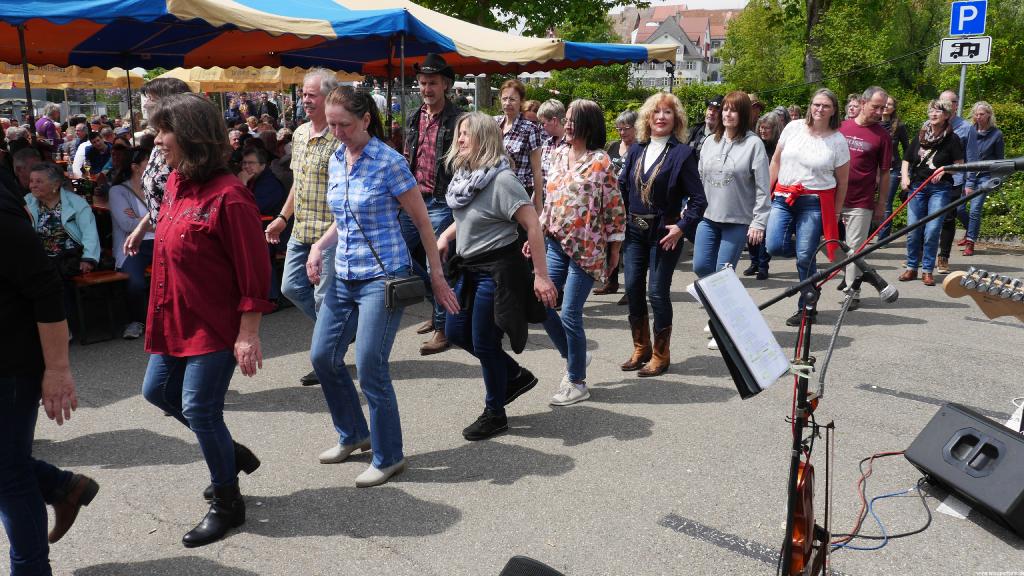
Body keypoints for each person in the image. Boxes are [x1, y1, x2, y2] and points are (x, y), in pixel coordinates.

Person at [139, 92, 273, 547]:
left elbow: (255, 273)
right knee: (155, 391)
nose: (156, 141)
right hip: (173, 315)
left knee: (200, 408)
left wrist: (248, 334)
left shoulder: (231, 196)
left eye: (163, 131)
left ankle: (228, 502)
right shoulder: (177, 182)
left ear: (192, 136)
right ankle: (229, 454)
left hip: (216, 325)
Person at [307, 87, 458, 486]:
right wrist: (320, 248)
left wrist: (437, 275)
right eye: (332, 123)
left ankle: (389, 455)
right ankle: (354, 434)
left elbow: (423, 222)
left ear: (366, 120)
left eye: (344, 124)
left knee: (372, 366)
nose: (336, 132)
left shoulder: (389, 161)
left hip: (382, 276)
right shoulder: (338, 158)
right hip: (343, 272)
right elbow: (345, 217)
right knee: (323, 357)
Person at [436, 112, 557, 439]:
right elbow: (468, 217)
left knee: (485, 342)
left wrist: (541, 276)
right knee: (456, 332)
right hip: (469, 267)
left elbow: (533, 224)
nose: (459, 139)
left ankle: (495, 413)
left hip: (498, 270)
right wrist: (447, 236)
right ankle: (514, 375)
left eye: (466, 134)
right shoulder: (466, 176)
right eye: (458, 133)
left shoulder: (502, 180)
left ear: (484, 139)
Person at [1, 178, 98, 576]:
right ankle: (63, 486)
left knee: (7, 471)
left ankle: (31, 569)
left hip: (8, 362)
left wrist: (58, 370)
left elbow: (45, 288)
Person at [538, 100, 625, 405]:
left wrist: (615, 250)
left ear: (588, 124)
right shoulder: (557, 153)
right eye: (566, 119)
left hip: (587, 249)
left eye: (573, 119)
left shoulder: (601, 161)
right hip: (554, 241)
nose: (568, 123)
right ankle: (576, 355)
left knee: (571, 313)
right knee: (542, 304)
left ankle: (577, 381)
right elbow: (550, 199)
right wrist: (536, 233)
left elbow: (614, 207)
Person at [618, 92, 706, 377]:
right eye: (656, 112)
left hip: (664, 233)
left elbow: (699, 199)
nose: (661, 117)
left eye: (668, 112)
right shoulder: (635, 150)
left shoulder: (683, 153)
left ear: (676, 119)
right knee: (632, 289)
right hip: (634, 231)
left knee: (656, 293)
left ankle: (660, 354)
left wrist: (681, 228)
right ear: (648, 117)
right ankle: (640, 347)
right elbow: (623, 189)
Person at [264, 68, 341, 386]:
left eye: (311, 95)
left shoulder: (339, 136)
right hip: (301, 229)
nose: (305, 100)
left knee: (324, 299)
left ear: (328, 97)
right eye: (304, 94)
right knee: (290, 287)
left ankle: (327, 358)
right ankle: (338, 331)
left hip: (328, 232)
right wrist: (282, 218)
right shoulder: (298, 133)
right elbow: (299, 182)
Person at [765, 88, 850, 326]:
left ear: (834, 110)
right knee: (773, 245)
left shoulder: (837, 140)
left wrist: (836, 211)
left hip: (814, 202)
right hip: (783, 195)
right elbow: (776, 161)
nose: (819, 109)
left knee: (804, 255)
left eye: (825, 106)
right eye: (816, 104)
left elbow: (842, 181)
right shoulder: (793, 128)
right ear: (810, 106)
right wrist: (765, 194)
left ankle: (807, 306)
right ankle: (811, 266)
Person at [402, 53, 461, 356]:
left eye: (433, 83)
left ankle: (442, 328)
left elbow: (466, 160)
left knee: (434, 262)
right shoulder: (414, 116)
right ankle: (438, 309)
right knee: (398, 253)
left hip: (441, 199)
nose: (426, 88)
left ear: (446, 84)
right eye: (423, 83)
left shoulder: (458, 118)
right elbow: (407, 156)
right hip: (414, 200)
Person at [694, 91, 771, 294]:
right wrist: (691, 207)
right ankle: (721, 303)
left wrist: (759, 222)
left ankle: (720, 319)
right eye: (725, 109)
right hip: (708, 217)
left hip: (737, 221)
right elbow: (700, 179)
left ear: (744, 114)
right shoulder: (710, 142)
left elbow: (763, 187)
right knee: (701, 267)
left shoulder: (754, 144)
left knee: (723, 273)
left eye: (734, 110)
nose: (728, 114)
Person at [25, 162, 101, 336]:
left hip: (68, 258)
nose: (33, 185)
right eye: (31, 181)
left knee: (55, 282)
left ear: (55, 184)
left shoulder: (76, 204)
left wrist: (88, 258)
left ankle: (63, 328)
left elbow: (90, 232)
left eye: (38, 181)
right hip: (39, 258)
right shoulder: (27, 203)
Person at [122, 77, 192, 265]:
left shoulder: (182, 147)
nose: (145, 104)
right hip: (163, 234)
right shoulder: (158, 145)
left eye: (151, 98)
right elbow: (163, 200)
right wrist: (142, 228)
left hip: (184, 241)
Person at [898, 99, 964, 286]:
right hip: (918, 188)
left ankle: (927, 270)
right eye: (931, 111)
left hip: (940, 189)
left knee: (933, 230)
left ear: (946, 116)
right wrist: (904, 178)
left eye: (938, 111)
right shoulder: (920, 136)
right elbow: (906, 160)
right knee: (913, 229)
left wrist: (944, 170)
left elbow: (959, 166)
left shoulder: (952, 138)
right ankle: (911, 267)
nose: (933, 114)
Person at [837, 86, 892, 309]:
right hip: (834, 199)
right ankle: (865, 271)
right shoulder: (841, 127)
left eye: (883, 108)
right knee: (825, 243)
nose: (880, 112)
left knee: (854, 247)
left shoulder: (883, 136)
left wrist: (881, 204)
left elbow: (886, 172)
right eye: (875, 107)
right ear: (862, 103)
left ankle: (853, 291)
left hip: (861, 201)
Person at [108, 147, 154, 340]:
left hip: (161, 241)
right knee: (135, 282)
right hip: (132, 244)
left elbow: (173, 216)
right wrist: (155, 221)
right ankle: (137, 320)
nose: (154, 166)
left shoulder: (157, 187)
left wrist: (140, 220)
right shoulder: (118, 191)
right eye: (149, 162)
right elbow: (126, 223)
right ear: (135, 167)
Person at [935, 90, 980, 271]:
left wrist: (970, 183)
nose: (946, 105)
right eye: (942, 102)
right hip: (930, 179)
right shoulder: (928, 124)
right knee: (924, 220)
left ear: (956, 104)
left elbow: (972, 158)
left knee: (947, 218)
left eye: (950, 102)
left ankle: (943, 257)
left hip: (954, 180)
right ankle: (919, 256)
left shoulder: (966, 128)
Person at [596, 109, 639, 296]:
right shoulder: (612, 147)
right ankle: (611, 282)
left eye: (626, 128)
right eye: (619, 128)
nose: (622, 132)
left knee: (629, 247)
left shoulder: (641, 148)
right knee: (608, 243)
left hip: (631, 203)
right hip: (611, 203)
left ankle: (631, 289)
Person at [957, 101, 1004, 256]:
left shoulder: (996, 134)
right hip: (967, 174)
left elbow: (1000, 160)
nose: (978, 117)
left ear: (989, 115)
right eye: (976, 114)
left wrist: (996, 179)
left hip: (984, 177)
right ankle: (970, 230)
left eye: (981, 114)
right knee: (959, 208)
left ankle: (971, 241)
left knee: (975, 210)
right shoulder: (969, 131)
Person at [742, 112, 782, 280]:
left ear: (775, 130)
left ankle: (763, 265)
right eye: (761, 128)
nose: (764, 131)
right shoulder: (753, 144)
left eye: (767, 128)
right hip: (752, 194)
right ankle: (754, 262)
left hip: (772, 193)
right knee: (751, 230)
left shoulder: (779, 147)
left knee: (764, 232)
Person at [494, 79, 545, 213]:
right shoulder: (493, 123)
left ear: (521, 101)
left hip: (519, 192)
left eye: (512, 99)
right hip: (494, 190)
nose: (507, 103)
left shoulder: (530, 129)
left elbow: (537, 170)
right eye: (504, 98)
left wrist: (538, 203)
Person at [877, 94, 911, 240]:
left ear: (894, 108)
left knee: (886, 201)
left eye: (889, 104)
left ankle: (883, 237)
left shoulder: (899, 126)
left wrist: (906, 171)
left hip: (892, 169)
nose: (886, 106)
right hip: (873, 169)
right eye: (884, 103)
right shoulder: (873, 123)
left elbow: (908, 149)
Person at [687, 95, 723, 160]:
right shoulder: (693, 131)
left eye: (717, 110)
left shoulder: (724, 137)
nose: (711, 113)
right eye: (710, 109)